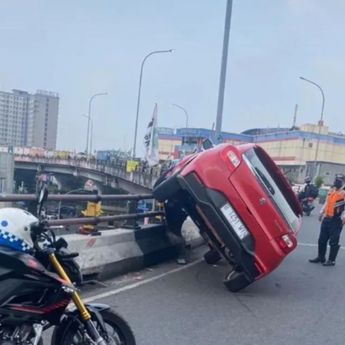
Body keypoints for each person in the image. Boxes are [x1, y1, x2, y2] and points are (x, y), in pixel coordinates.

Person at [309, 177, 345, 266]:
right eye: (335, 184)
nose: (336, 186)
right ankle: (321, 257)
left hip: (336, 220)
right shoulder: (331, 192)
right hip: (327, 218)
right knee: (322, 240)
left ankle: (331, 260)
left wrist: (344, 217)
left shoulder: (343, 194)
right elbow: (326, 203)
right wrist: (321, 213)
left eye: (338, 185)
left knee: (333, 241)